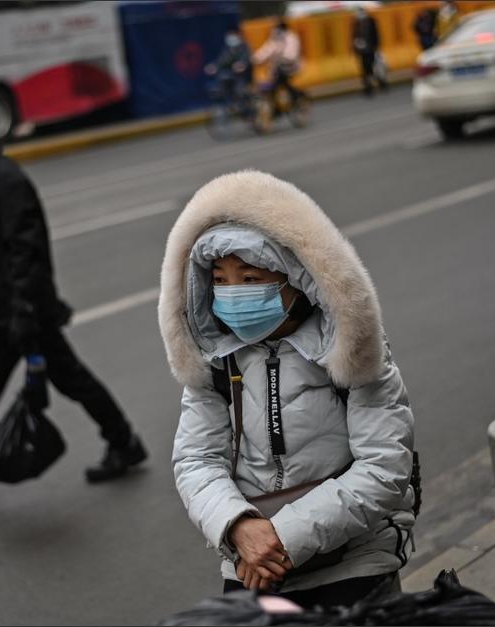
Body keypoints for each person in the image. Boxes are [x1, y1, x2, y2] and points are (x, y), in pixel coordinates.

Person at [160, 170, 417, 607]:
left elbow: (385, 467)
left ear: (295, 278)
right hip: (251, 565)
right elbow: (195, 460)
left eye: (249, 277)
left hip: (353, 560)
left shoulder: (350, 351)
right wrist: (239, 526)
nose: (231, 293)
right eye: (219, 280)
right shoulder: (215, 360)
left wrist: (282, 537)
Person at [0, 105, 147, 506]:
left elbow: (27, 250)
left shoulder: (3, 180)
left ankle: (124, 442)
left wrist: (26, 313)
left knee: (72, 380)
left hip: (23, 313)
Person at [252, 19, 304, 107]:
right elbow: (266, 50)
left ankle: (298, 97)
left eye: (276, 28)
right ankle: (276, 106)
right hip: (278, 68)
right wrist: (255, 59)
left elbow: (291, 53)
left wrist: (284, 58)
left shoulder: (291, 37)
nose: (274, 30)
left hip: (290, 67)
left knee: (282, 83)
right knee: (273, 85)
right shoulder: (275, 39)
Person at [205, 28, 253, 108]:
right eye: (229, 35)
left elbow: (246, 59)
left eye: (233, 35)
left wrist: (242, 64)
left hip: (243, 76)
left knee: (240, 90)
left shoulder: (244, 47)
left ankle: (245, 107)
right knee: (222, 80)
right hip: (229, 75)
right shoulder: (227, 48)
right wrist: (214, 66)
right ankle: (226, 104)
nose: (231, 38)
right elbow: (222, 60)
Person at [353, 7, 387, 97]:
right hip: (362, 51)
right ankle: (368, 87)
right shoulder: (356, 23)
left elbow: (376, 35)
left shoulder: (371, 21)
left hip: (371, 49)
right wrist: (356, 47)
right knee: (365, 69)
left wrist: (377, 47)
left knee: (374, 67)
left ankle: (381, 83)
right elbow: (354, 36)